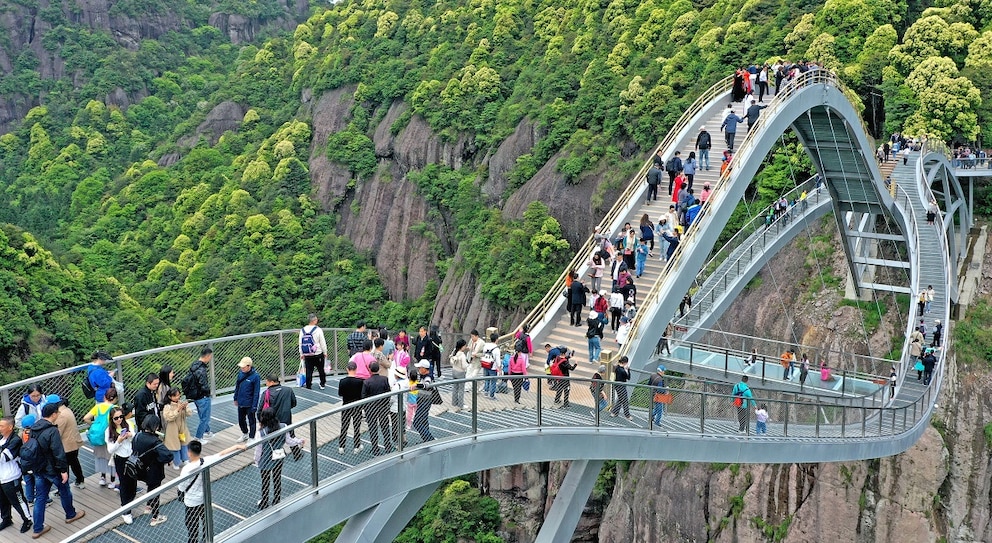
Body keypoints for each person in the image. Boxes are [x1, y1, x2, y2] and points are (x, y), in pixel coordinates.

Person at [29, 404, 87, 538]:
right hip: (53, 469)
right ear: (53, 414)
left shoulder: (34, 428)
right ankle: (70, 515)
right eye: (58, 413)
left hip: (39, 468)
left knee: (40, 498)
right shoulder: (52, 430)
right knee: (65, 491)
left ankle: (38, 528)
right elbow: (58, 451)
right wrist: (63, 470)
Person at [184, 440, 248, 542]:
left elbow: (182, 487)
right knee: (207, 524)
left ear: (189, 452)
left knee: (192, 529)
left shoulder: (186, 469)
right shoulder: (205, 461)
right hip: (203, 500)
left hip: (191, 503)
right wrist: (236, 446)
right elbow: (221, 454)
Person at [251, 410, 301, 512]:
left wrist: (256, 460)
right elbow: (289, 441)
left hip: (265, 459)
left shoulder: (261, 433)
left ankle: (264, 501)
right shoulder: (283, 426)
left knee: (265, 480)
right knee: (277, 478)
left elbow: (258, 450)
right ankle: (276, 499)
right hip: (279, 456)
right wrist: (299, 441)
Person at [133, 414, 172, 527]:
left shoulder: (138, 435)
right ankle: (155, 517)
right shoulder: (155, 441)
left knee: (150, 487)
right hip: (154, 471)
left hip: (140, 468)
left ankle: (148, 506)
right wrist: (159, 460)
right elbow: (168, 456)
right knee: (155, 491)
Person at [105, 406, 137, 524]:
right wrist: (119, 441)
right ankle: (126, 511)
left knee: (133, 483)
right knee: (124, 484)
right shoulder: (108, 431)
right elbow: (110, 449)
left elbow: (135, 437)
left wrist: (130, 435)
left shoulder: (128, 424)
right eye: (116, 418)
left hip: (131, 457)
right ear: (111, 419)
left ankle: (129, 502)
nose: (119, 420)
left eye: (121, 417)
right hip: (120, 460)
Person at [0, 417, 32, 534]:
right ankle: (6, 519)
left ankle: (27, 519)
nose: (0, 428)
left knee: (18, 500)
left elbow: (4, 457)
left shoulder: (15, 440)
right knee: (2, 501)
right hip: (1, 477)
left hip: (11, 477)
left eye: (1, 426)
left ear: (10, 427)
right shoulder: (2, 438)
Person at [83, 387, 118, 488]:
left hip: (98, 436)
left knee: (100, 457)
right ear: (115, 398)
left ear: (104, 397)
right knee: (110, 457)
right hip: (109, 436)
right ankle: (112, 480)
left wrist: (94, 424)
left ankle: (102, 478)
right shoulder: (114, 408)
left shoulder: (98, 407)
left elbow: (85, 418)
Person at [48, 395, 84, 490]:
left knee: (64, 467)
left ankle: (64, 488)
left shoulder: (61, 415)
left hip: (67, 446)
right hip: (73, 443)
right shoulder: (66, 410)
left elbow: (57, 433)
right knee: (74, 462)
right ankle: (80, 480)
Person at [361, 362, 394, 453]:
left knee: (373, 428)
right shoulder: (384, 379)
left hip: (371, 408)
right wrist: (385, 404)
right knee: (385, 427)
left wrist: (366, 408)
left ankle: (375, 449)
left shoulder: (366, 382)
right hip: (383, 407)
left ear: (370, 370)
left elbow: (363, 397)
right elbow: (388, 393)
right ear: (378, 369)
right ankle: (388, 446)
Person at [257, 374, 298, 440]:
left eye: (267, 382)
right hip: (286, 420)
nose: (266, 384)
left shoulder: (266, 393)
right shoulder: (288, 390)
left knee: (273, 440)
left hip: (271, 422)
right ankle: (295, 450)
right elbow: (294, 403)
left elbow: (260, 410)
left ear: (272, 382)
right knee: (291, 436)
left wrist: (261, 421)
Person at [162, 387, 193, 470]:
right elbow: (168, 417)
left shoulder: (181, 403)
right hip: (172, 429)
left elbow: (189, 414)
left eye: (179, 395)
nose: (177, 397)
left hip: (182, 427)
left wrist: (185, 408)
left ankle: (185, 459)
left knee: (184, 444)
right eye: (175, 396)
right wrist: (178, 410)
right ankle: (176, 462)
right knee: (174, 447)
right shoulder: (167, 406)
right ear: (170, 397)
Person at [188, 347, 214, 442]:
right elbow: (203, 385)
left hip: (195, 396)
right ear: (207, 356)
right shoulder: (202, 369)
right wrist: (208, 393)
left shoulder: (194, 366)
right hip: (202, 396)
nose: (210, 358)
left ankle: (207, 431)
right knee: (205, 418)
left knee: (202, 415)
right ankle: (198, 437)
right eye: (210, 357)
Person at [337, 362, 364, 454]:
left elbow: (340, 394)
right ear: (356, 369)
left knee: (344, 426)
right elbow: (362, 395)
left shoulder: (342, 381)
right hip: (357, 406)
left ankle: (341, 446)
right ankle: (356, 446)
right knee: (357, 427)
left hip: (346, 405)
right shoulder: (360, 382)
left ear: (347, 369)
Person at [233, 357, 261, 442]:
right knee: (241, 420)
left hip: (249, 402)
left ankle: (252, 437)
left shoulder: (255, 376)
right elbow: (237, 386)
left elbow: (256, 392)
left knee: (251, 420)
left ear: (249, 366)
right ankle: (245, 433)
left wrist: (254, 405)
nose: (242, 368)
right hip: (241, 401)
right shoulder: (240, 374)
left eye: (244, 367)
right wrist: (235, 398)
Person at [300, 313, 329, 390]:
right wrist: (325, 352)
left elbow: (300, 343)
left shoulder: (302, 330)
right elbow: (322, 342)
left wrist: (301, 353)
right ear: (314, 320)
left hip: (307, 354)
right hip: (317, 353)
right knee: (321, 369)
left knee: (309, 370)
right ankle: (322, 383)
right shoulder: (318, 330)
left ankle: (308, 385)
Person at [412, 361, 436, 441]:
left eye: (420, 368)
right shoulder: (423, 376)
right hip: (422, 400)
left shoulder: (428, 377)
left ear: (424, 369)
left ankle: (429, 439)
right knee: (424, 420)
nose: (418, 369)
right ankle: (426, 439)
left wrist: (416, 385)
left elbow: (426, 385)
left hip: (425, 401)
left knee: (417, 422)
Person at [448, 340, 469, 410]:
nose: (465, 347)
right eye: (465, 346)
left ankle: (454, 402)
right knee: (461, 389)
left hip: (454, 371)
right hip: (461, 373)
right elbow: (464, 366)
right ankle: (460, 404)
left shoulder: (454, 352)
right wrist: (468, 364)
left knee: (455, 387)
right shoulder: (462, 355)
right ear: (462, 346)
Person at [481, 333, 502, 399]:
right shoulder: (496, 349)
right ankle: (492, 395)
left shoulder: (486, 346)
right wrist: (499, 368)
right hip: (492, 366)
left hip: (485, 364)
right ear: (496, 339)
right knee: (493, 381)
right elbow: (498, 360)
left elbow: (483, 353)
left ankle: (486, 392)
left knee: (486, 379)